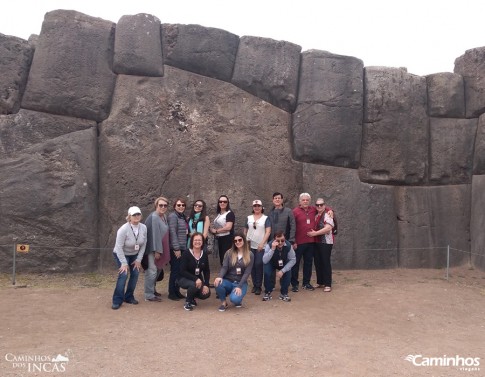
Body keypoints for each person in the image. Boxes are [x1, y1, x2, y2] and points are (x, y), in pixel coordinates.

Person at [111, 206, 147, 310]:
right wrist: (123, 263)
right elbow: (118, 247)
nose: (137, 216)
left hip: (134, 254)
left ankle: (129, 296)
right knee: (124, 274)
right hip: (121, 253)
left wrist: (138, 260)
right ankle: (117, 300)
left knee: (135, 273)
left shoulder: (143, 228)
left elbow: (144, 244)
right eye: (134, 215)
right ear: (129, 217)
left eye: (138, 214)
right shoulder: (123, 229)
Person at [213, 232, 254, 311]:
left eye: (240, 240)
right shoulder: (229, 253)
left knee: (235, 299)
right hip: (229, 280)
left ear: (244, 241)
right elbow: (224, 267)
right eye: (235, 241)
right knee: (217, 283)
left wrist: (239, 286)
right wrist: (219, 277)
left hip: (240, 282)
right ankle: (224, 302)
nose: (237, 242)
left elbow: (247, 272)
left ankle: (237, 300)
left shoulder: (250, 254)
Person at [144, 196, 171, 302]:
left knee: (158, 269)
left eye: (165, 205)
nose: (163, 207)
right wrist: (157, 251)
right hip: (153, 249)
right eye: (161, 205)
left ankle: (152, 289)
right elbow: (154, 235)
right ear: (156, 205)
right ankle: (148, 295)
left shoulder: (163, 216)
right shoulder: (154, 217)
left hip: (161, 248)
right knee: (152, 271)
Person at [177, 232, 211, 311]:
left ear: (202, 242)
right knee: (194, 284)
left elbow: (207, 271)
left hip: (197, 279)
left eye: (199, 240)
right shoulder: (186, 253)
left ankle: (192, 296)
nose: (197, 242)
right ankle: (188, 302)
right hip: (183, 278)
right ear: (192, 242)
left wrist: (206, 284)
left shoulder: (204, 254)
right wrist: (196, 279)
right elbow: (182, 271)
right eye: (195, 240)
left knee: (206, 293)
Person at [291, 193, 317, 292]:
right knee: (295, 263)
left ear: (309, 201)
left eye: (307, 200)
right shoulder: (295, 211)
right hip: (298, 242)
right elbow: (291, 227)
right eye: (303, 200)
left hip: (311, 242)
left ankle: (306, 283)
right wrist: (293, 241)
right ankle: (294, 284)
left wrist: (330, 210)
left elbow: (323, 208)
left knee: (308, 263)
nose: (305, 201)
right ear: (300, 201)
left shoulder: (313, 209)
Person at [244, 199, 271, 295]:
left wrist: (262, 243)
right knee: (251, 265)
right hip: (250, 245)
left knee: (258, 264)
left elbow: (268, 231)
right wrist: (245, 240)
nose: (257, 207)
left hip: (261, 246)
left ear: (261, 207)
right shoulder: (248, 218)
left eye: (258, 206)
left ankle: (259, 286)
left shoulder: (265, 218)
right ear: (252, 207)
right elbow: (245, 230)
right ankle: (254, 285)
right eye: (255, 206)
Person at [307, 198, 335, 292]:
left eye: (321, 205)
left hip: (326, 242)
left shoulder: (328, 214)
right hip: (317, 242)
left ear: (324, 205)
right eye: (317, 205)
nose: (319, 206)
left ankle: (328, 284)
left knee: (325, 262)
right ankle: (320, 282)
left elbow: (328, 228)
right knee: (318, 262)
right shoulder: (316, 215)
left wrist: (315, 233)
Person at [262, 231, 296, 302]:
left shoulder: (288, 245)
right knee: (267, 272)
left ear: (285, 239)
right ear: (274, 240)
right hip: (271, 262)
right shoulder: (269, 245)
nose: (280, 243)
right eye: (278, 240)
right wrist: (272, 249)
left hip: (283, 262)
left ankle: (284, 293)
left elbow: (293, 260)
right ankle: (267, 292)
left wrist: (283, 270)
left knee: (288, 272)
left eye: (282, 240)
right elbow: (264, 260)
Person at [167, 197, 188, 301]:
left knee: (179, 271)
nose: (181, 207)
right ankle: (171, 293)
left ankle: (177, 291)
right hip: (176, 248)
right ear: (174, 206)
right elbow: (172, 232)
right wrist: (176, 248)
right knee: (175, 270)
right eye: (178, 205)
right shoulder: (173, 216)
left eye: (183, 205)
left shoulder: (182, 217)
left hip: (183, 248)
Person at [210, 195, 235, 266]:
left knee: (226, 260)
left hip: (227, 239)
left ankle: (229, 276)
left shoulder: (230, 213)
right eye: (220, 201)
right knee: (222, 260)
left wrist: (216, 231)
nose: (222, 203)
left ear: (227, 203)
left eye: (225, 201)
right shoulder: (219, 214)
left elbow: (228, 227)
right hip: (220, 239)